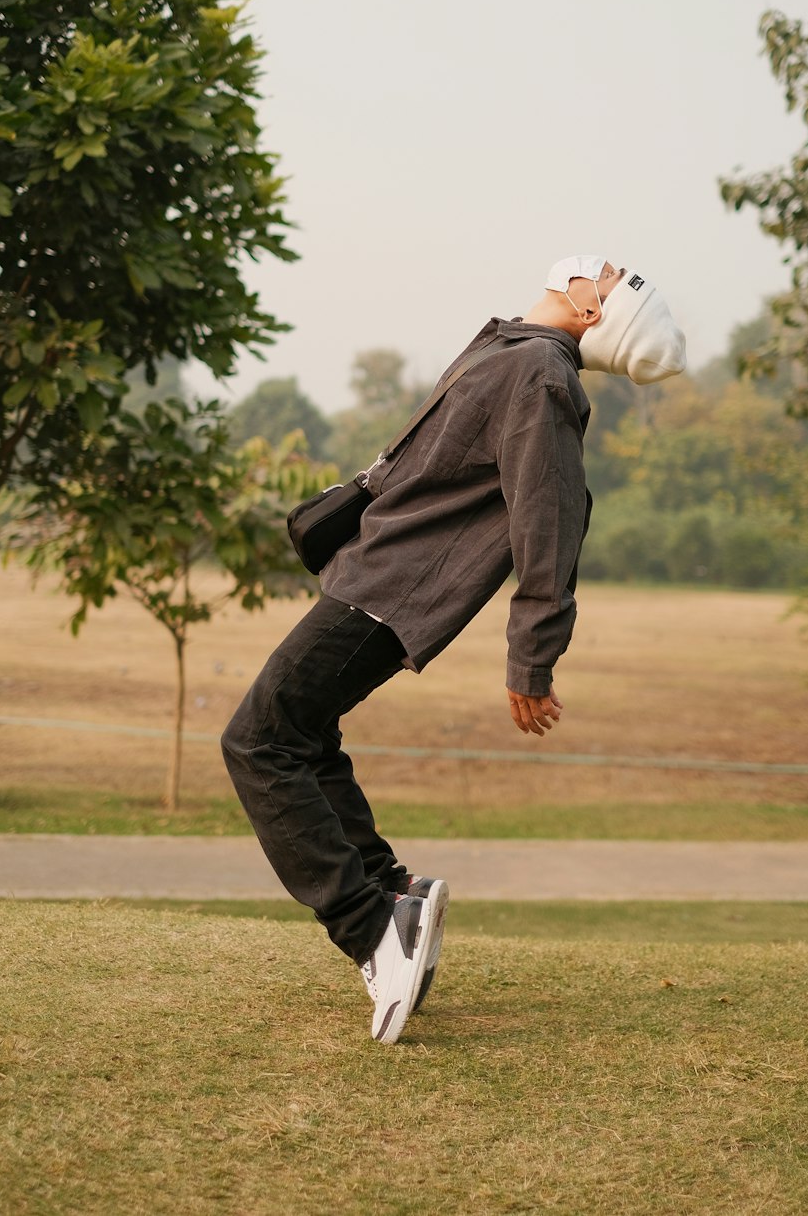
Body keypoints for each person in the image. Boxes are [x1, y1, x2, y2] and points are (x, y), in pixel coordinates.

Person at [221, 254, 686, 1044]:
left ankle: (372, 931)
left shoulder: (540, 374)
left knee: (258, 740)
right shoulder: (514, 349)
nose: (594, 265)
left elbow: (551, 517)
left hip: (394, 591)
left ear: (594, 314)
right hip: (375, 577)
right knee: (301, 735)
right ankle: (393, 894)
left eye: (607, 277)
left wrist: (532, 657)